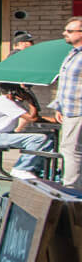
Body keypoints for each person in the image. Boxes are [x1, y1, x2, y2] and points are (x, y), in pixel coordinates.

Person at [0, 84, 54, 181]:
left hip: (6, 134)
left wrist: (55, 120)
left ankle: (37, 168)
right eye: (23, 91)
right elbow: (32, 118)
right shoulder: (4, 103)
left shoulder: (14, 103)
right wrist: (30, 100)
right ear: (13, 92)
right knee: (40, 139)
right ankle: (21, 168)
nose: (26, 93)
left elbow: (32, 117)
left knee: (50, 137)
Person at [53, 17, 82, 189]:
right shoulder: (73, 53)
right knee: (68, 149)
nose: (65, 33)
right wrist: (58, 106)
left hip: (78, 110)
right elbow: (64, 82)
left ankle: (71, 190)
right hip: (69, 111)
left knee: (71, 151)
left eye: (70, 31)